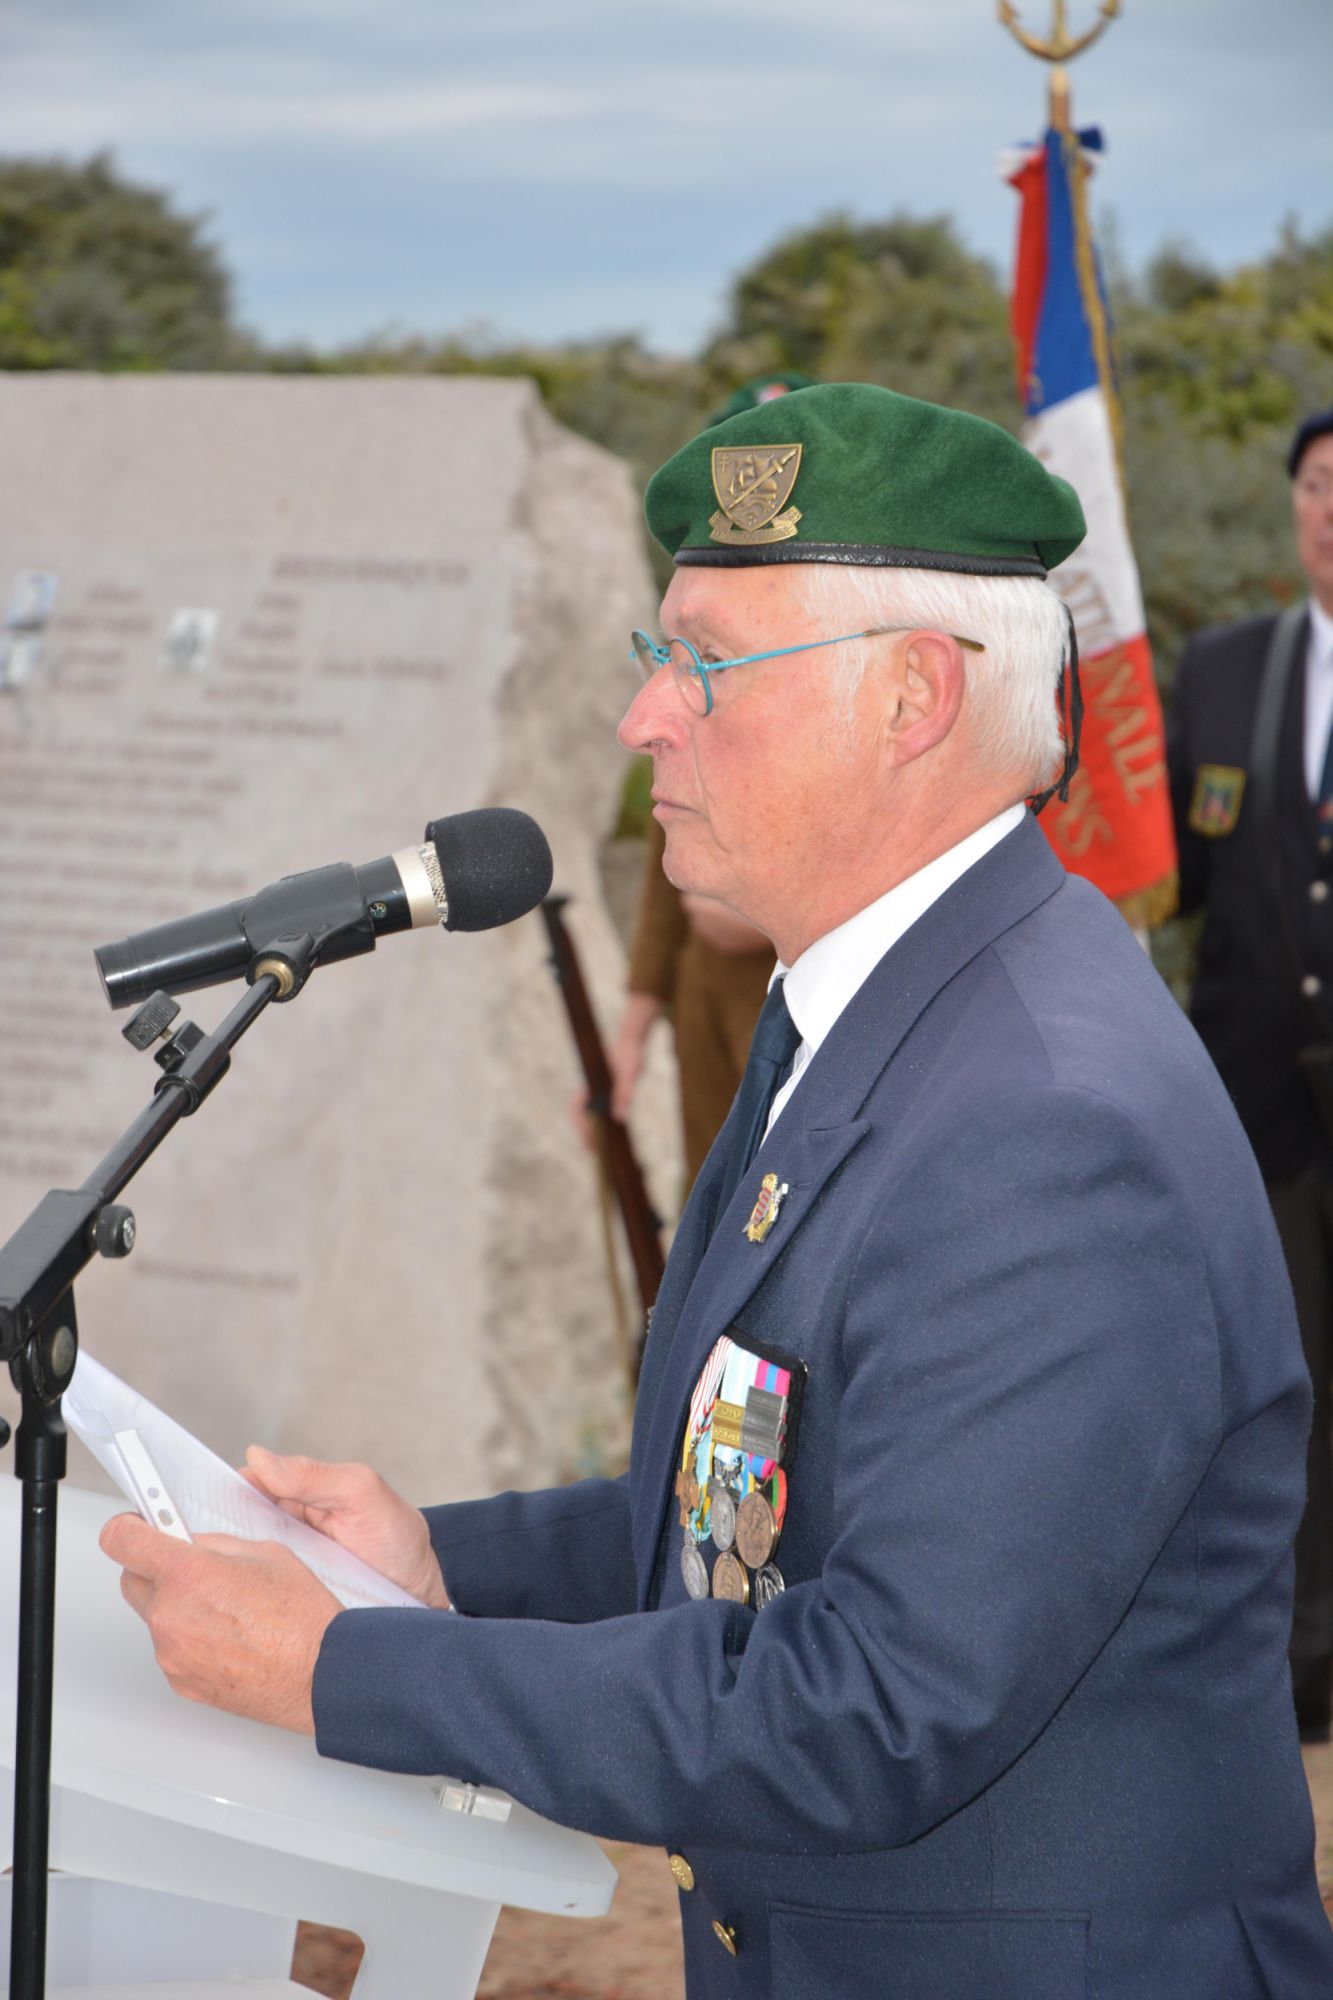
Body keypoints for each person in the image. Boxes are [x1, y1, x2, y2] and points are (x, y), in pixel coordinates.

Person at [104, 384, 1333, 1999]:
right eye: (655, 653)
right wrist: (442, 1567)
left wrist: (348, 1671)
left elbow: (871, 1701)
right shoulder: (872, 1004)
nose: (644, 719)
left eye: (706, 664)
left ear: (911, 697)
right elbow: (776, 1495)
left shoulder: (1044, 1121)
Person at [1168, 407, 1333, 1742]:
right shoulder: (1224, 670)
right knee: (1284, 1384)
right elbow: (1166, 876)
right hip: (1261, 1104)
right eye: (1320, 484)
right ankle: (1300, 1665)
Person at [606, 374, 812, 1191]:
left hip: (792, 981)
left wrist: (767, 916)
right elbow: (667, 867)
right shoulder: (688, 676)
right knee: (711, 1190)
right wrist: (632, 1028)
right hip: (705, 989)